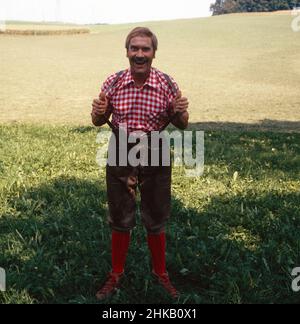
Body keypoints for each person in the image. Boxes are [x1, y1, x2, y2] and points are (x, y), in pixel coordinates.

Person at [91, 27, 189, 301]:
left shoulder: (167, 84)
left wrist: (179, 112)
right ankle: (116, 274)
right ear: (127, 52)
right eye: (134, 48)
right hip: (121, 146)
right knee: (120, 212)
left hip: (155, 145)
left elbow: (182, 125)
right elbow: (98, 120)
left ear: (154, 53)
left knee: (156, 213)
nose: (139, 54)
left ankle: (161, 274)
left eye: (145, 49)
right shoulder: (113, 82)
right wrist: (98, 114)